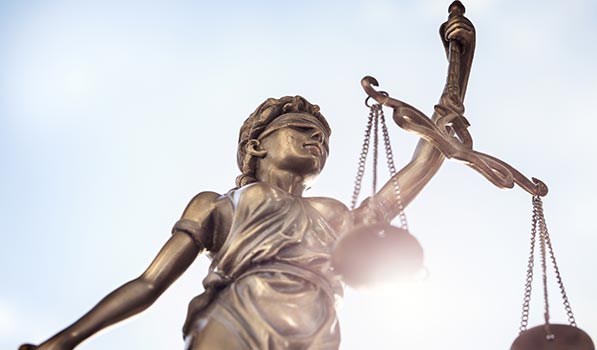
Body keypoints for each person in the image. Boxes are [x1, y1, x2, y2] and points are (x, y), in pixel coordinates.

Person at [22, 95, 447, 350]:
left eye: (323, 138)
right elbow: (149, 284)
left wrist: (455, 81)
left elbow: (424, 163)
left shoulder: (335, 214)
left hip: (318, 325)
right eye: (303, 127)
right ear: (257, 144)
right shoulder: (218, 205)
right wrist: (66, 339)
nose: (317, 139)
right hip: (239, 312)